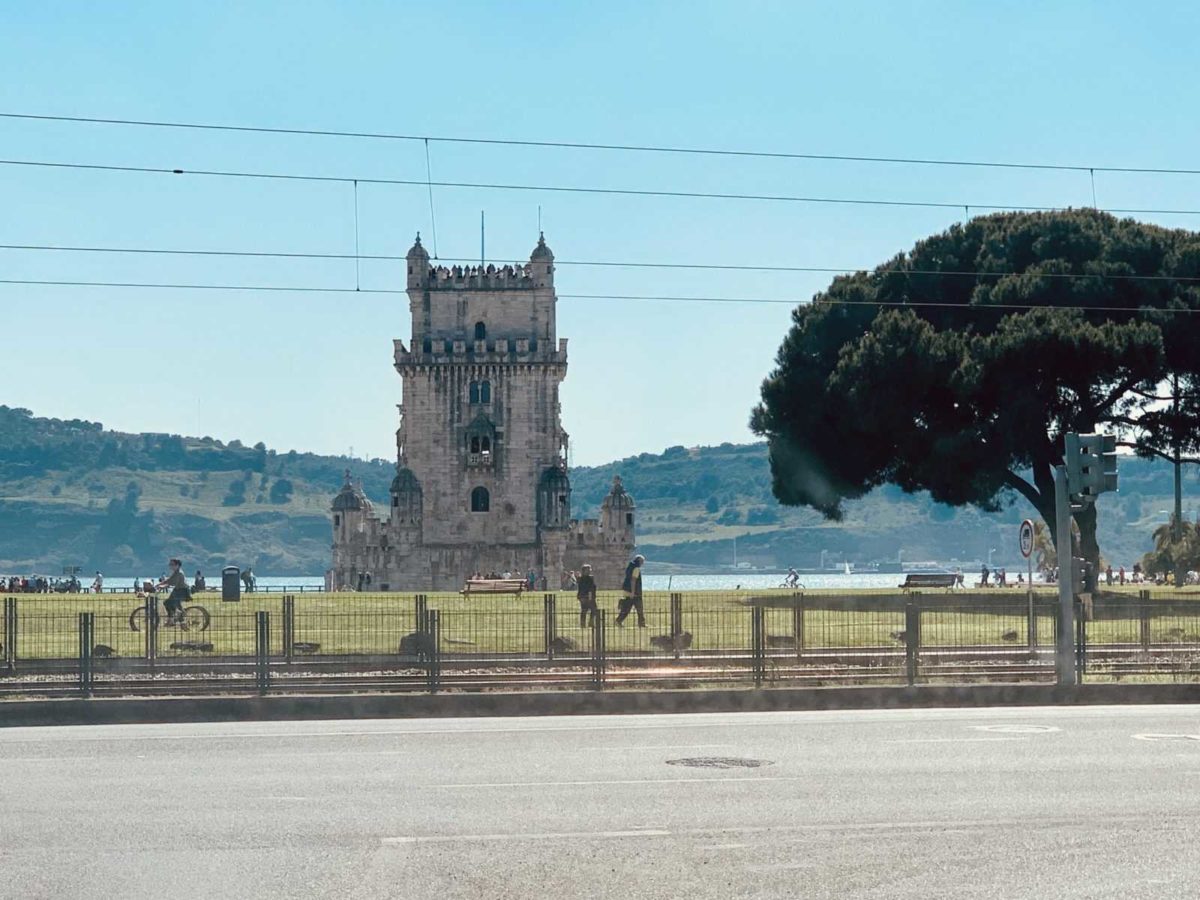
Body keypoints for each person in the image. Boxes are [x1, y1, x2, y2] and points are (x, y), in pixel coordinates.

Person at [156, 558, 191, 626]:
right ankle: (172, 619)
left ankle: (178, 619)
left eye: (172, 564)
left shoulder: (179, 573)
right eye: (170, 564)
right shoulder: (175, 572)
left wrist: (163, 586)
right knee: (167, 603)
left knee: (172, 604)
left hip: (182, 591)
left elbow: (173, 583)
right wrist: (159, 584)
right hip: (177, 590)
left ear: (177, 565)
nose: (170, 566)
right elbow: (169, 580)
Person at [616, 554, 646, 627]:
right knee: (639, 608)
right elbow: (633, 580)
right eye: (642, 561)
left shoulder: (630, 567)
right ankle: (641, 623)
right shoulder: (636, 568)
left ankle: (618, 621)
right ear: (639, 561)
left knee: (626, 608)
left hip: (626, 590)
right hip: (634, 592)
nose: (643, 563)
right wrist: (633, 592)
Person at [576, 564, 598, 628]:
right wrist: (590, 597)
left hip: (584, 596)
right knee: (590, 609)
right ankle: (586, 623)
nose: (589, 571)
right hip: (586, 596)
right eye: (587, 570)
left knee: (588, 610)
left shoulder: (587, 578)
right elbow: (589, 588)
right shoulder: (585, 579)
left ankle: (586, 623)